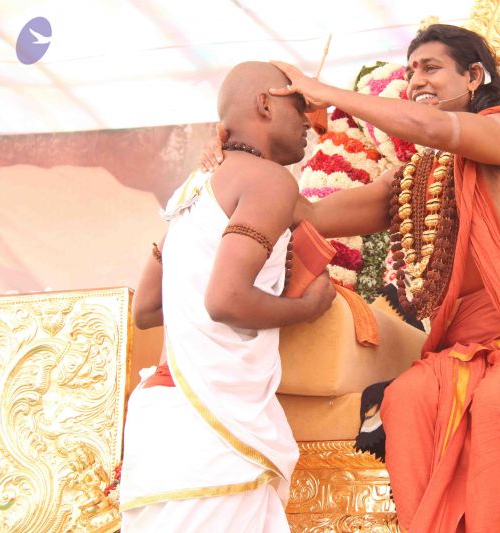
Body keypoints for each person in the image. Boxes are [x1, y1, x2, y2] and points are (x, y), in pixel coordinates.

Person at [203, 24, 500, 532]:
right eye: (411, 70)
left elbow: (436, 129)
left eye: (431, 68)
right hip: (458, 343)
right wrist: (238, 159)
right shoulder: (420, 174)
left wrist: (322, 91)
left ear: (474, 76)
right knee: (406, 398)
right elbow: (309, 214)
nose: (416, 80)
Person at [120, 61, 336, 532]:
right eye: (300, 106)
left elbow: (146, 309)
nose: (309, 121)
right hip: (210, 431)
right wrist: (307, 307)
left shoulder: (193, 189)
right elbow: (225, 300)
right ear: (265, 104)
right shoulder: (269, 180)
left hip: (162, 420)